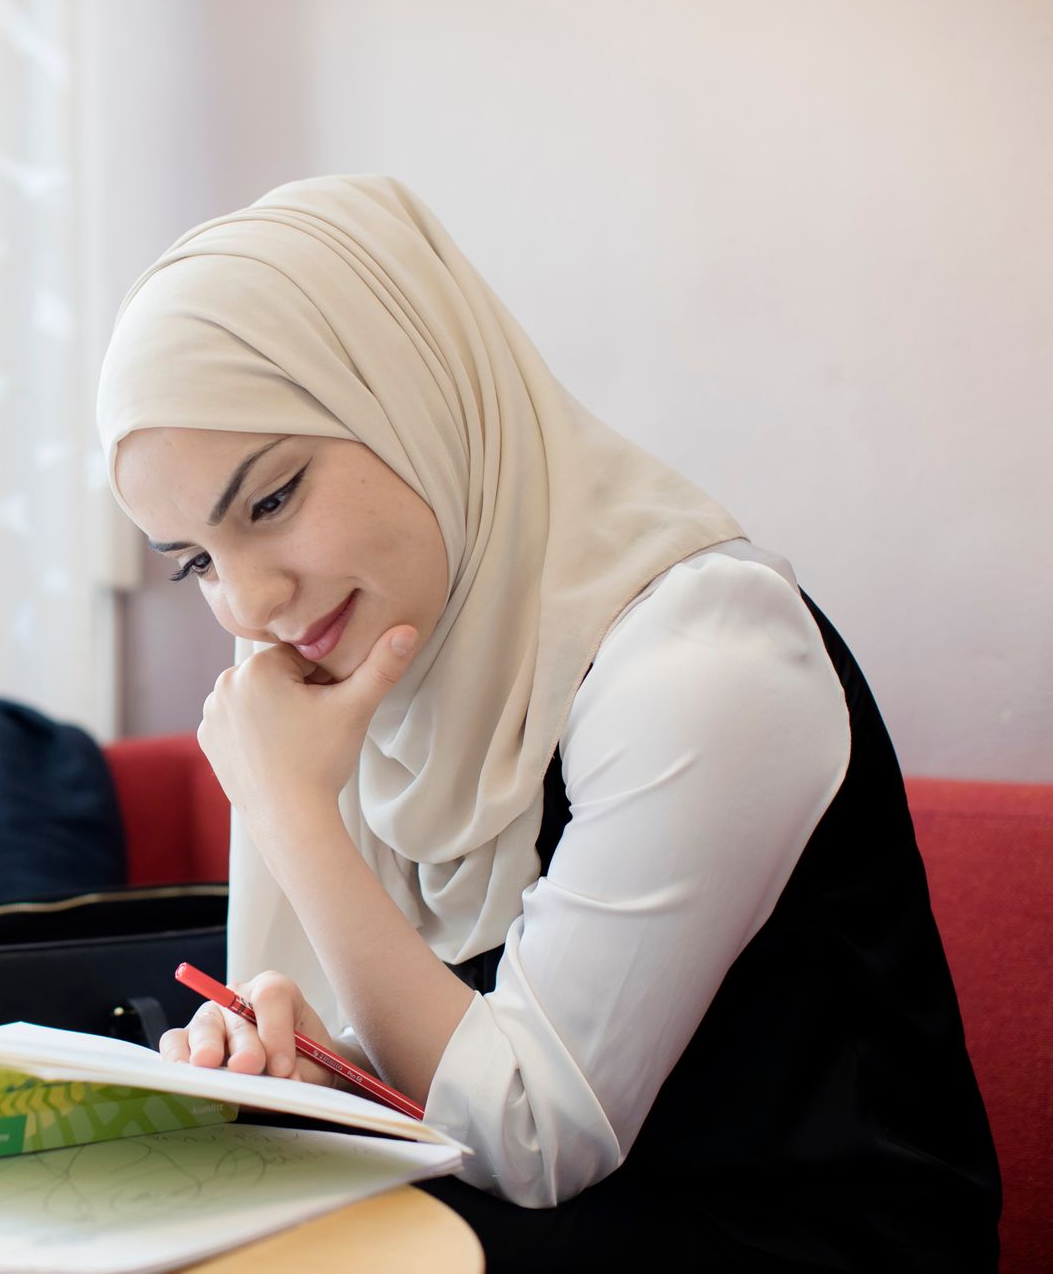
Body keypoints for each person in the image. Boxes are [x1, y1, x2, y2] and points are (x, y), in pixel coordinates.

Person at [94, 174, 999, 1271]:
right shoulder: (386, 683)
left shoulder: (706, 657)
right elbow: (443, 1094)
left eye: (273, 498)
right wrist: (320, 1068)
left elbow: (530, 1130)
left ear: (411, 393)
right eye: (196, 560)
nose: (249, 606)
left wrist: (293, 812)